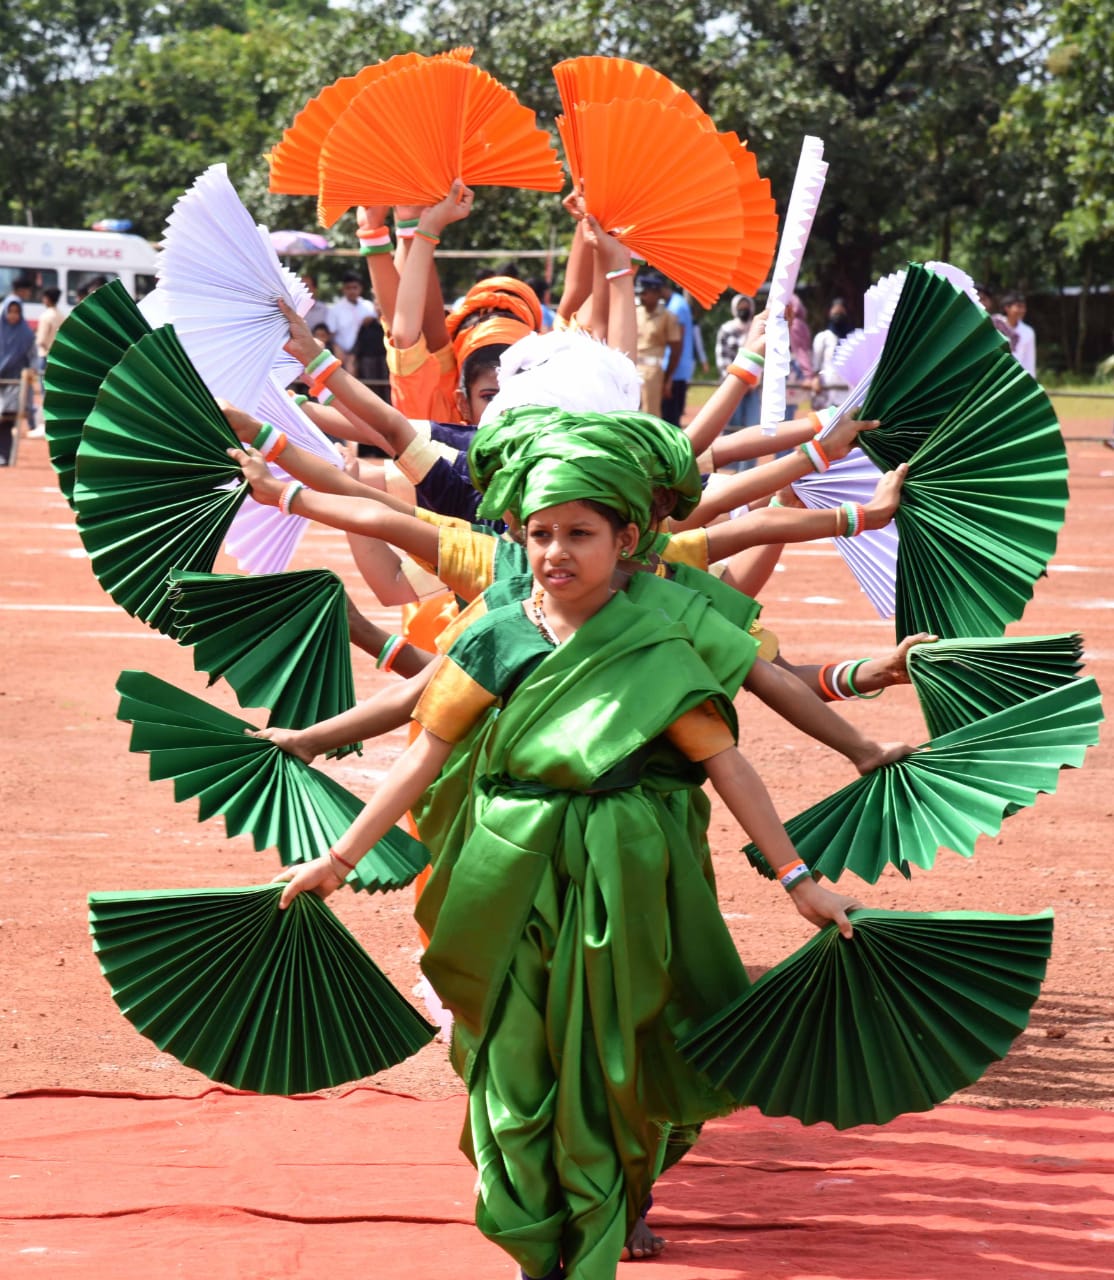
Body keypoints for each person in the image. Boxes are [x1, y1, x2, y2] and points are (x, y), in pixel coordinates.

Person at [260, 419, 871, 1280]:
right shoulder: (495, 631)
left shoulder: (661, 632)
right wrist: (338, 859)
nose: (555, 552)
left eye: (579, 533)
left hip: (626, 874)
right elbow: (422, 757)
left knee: (615, 1056)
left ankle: (601, 1220)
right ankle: (532, 1240)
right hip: (503, 873)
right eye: (539, 533)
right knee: (510, 1054)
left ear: (627, 538)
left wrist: (802, 881)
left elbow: (726, 764)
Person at [634, 271, 682, 418]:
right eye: (640, 293)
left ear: (656, 294)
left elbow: (675, 350)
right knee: (629, 410)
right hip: (633, 366)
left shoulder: (668, 316)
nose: (642, 297)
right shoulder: (635, 312)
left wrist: (668, 379)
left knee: (650, 413)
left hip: (653, 370)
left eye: (645, 293)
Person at [0, 298, 36, 464]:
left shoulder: (26, 334)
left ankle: (5, 455)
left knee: (6, 418)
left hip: (14, 384)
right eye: (11, 311)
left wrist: (30, 372)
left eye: (17, 312)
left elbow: (32, 358)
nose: (13, 315)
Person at [660, 279, 697, 426]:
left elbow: (677, 343)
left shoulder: (675, 307)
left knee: (670, 420)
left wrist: (668, 378)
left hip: (675, 369)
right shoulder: (677, 303)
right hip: (677, 368)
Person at [328, 271, 379, 373]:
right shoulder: (335, 309)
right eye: (348, 288)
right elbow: (330, 334)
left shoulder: (368, 306)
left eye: (355, 287)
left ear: (361, 288)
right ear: (343, 289)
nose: (352, 291)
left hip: (365, 355)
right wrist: (337, 349)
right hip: (342, 356)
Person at [811, 297, 852, 411]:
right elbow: (816, 364)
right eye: (835, 312)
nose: (838, 315)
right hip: (827, 390)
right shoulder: (823, 338)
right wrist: (815, 379)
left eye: (841, 312)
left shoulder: (854, 337)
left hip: (847, 390)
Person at [1001, 291, 1036, 376]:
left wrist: (1030, 379)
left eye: (1024, 307)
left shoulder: (1028, 332)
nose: (1022, 310)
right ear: (1007, 308)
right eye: (1018, 307)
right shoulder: (997, 325)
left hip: (1017, 375)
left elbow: (1029, 359)